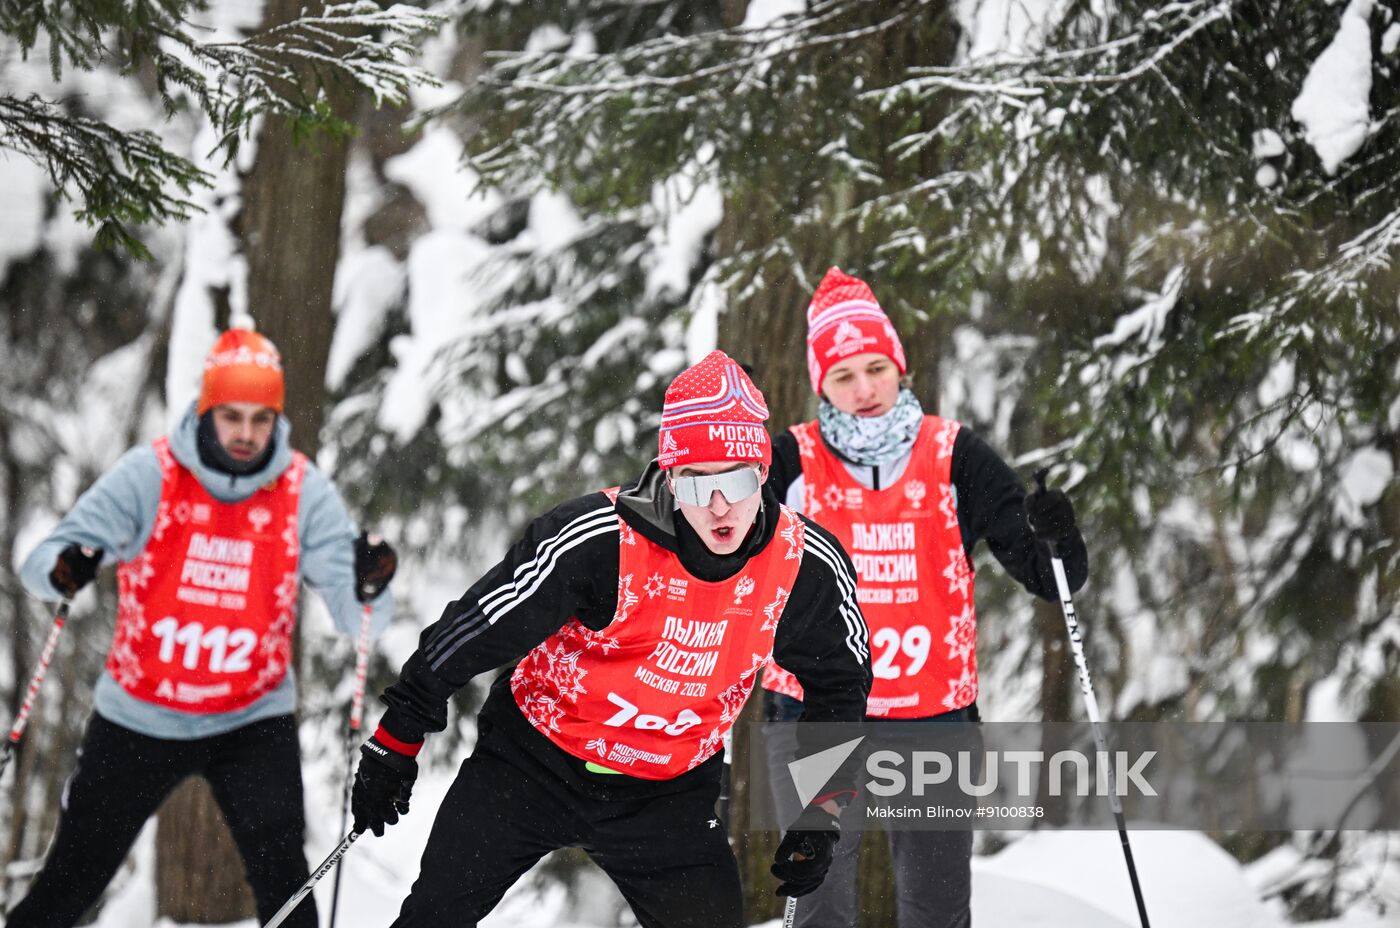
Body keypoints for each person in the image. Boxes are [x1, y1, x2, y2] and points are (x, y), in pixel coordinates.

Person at [350, 351, 872, 928]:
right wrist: (396, 738)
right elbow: (475, 628)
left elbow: (841, 683)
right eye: (697, 485)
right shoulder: (600, 540)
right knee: (433, 916)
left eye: (737, 479)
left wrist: (821, 814)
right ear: (670, 478)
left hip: (668, 792)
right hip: (533, 765)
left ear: (764, 471)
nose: (720, 506)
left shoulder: (803, 567)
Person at [8, 319, 397, 928]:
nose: (246, 434)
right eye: (231, 416)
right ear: (207, 409)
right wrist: (66, 567)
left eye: (261, 419)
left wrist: (370, 579)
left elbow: (358, 615)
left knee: (287, 891)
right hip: (139, 713)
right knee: (69, 885)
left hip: (251, 717)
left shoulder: (301, 490)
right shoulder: (152, 474)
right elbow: (41, 567)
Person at [760, 268, 1090, 928]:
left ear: (899, 368)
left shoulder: (954, 455)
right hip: (815, 714)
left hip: (933, 715)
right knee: (819, 904)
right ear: (821, 383)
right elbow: (716, 554)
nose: (864, 390)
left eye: (876, 369)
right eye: (844, 376)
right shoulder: (789, 463)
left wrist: (1057, 534)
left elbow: (1050, 576)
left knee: (937, 910)